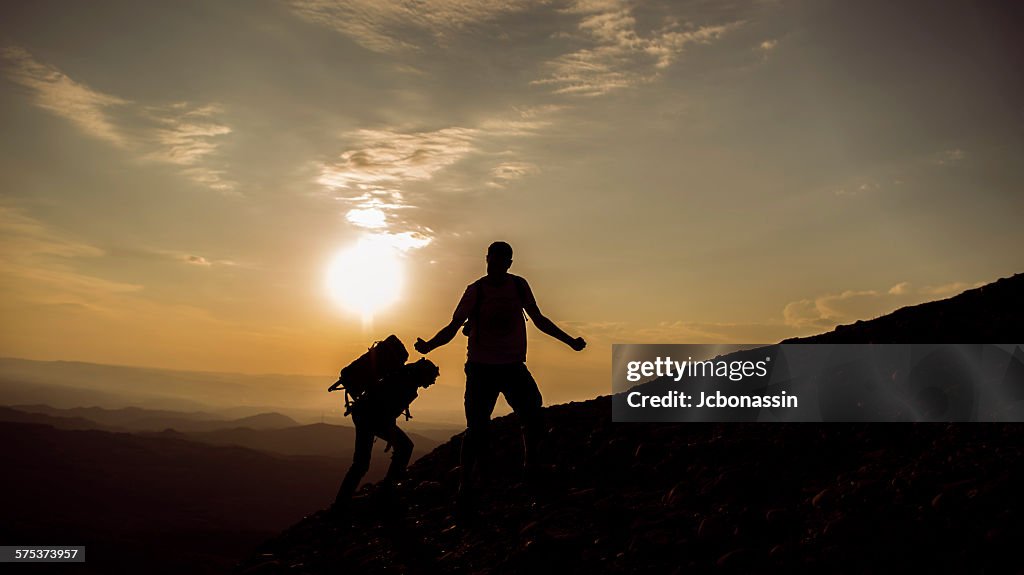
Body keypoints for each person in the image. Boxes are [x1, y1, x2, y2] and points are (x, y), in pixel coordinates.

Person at [414, 241, 586, 513]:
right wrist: (429, 346)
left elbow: (538, 319)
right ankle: (466, 485)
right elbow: (453, 327)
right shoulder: (475, 291)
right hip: (482, 369)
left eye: (500, 261)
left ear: (508, 263)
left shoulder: (519, 286)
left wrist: (570, 341)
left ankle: (531, 467)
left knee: (532, 414)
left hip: (513, 366)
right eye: (491, 260)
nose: (494, 265)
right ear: (487, 260)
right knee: (477, 429)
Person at [333, 358, 440, 508]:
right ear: (423, 374)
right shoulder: (406, 383)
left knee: (362, 462)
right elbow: (386, 408)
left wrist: (390, 432)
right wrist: (390, 432)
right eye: (432, 378)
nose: (432, 382)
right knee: (404, 447)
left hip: (365, 415)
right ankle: (386, 492)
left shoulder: (403, 378)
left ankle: (343, 500)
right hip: (370, 418)